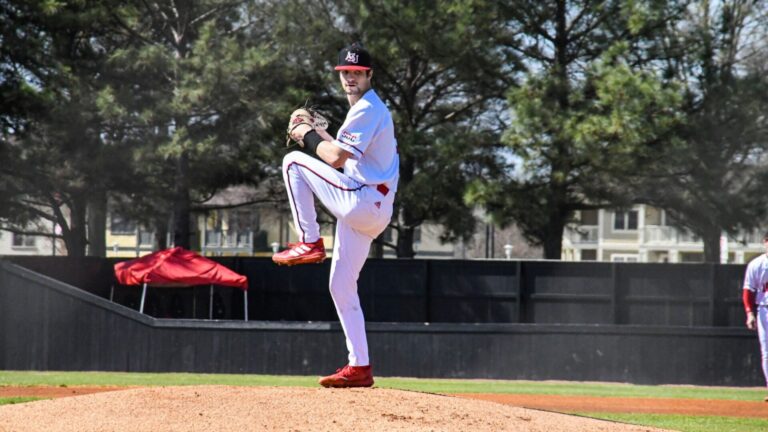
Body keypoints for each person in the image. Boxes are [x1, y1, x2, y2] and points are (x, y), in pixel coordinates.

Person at [272, 42, 399, 388]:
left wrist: (304, 134)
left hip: (364, 201)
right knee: (341, 284)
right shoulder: (364, 112)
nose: (351, 78)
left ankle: (309, 240)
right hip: (371, 208)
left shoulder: (368, 109)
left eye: (357, 72)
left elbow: (335, 160)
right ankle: (360, 367)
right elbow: (343, 154)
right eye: (346, 73)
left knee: (292, 162)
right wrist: (320, 132)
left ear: (370, 75)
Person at [742, 231, 768, 401]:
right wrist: (750, 313)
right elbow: (748, 291)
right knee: (766, 352)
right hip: (765, 309)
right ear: (765, 242)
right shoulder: (757, 264)